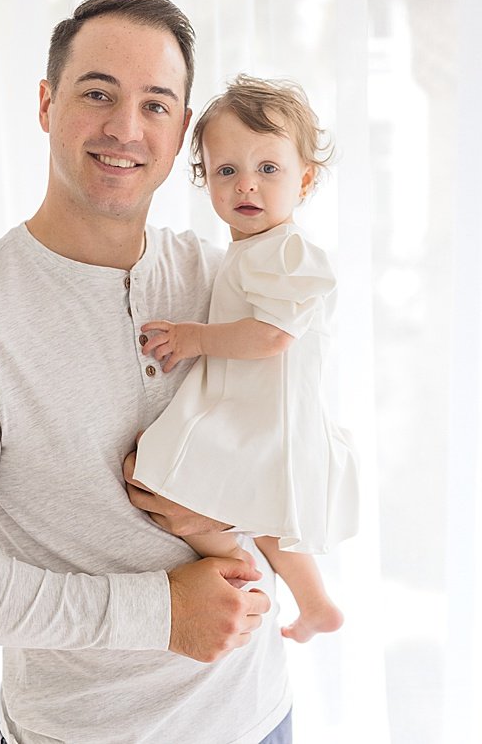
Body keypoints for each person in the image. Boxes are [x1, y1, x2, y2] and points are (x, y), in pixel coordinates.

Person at [0, 0, 291, 744]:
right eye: (98, 93)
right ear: (46, 103)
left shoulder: (220, 283)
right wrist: (161, 612)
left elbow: (298, 458)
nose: (125, 130)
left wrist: (215, 529)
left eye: (156, 105)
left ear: (182, 136)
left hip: (257, 716)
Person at [132, 75, 359, 643]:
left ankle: (238, 574)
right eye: (226, 171)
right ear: (205, 180)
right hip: (254, 409)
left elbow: (273, 335)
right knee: (262, 519)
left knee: (154, 476)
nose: (246, 186)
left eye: (269, 169)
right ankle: (313, 603)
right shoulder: (251, 250)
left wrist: (195, 338)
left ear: (305, 179)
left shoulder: (287, 250)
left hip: (266, 415)